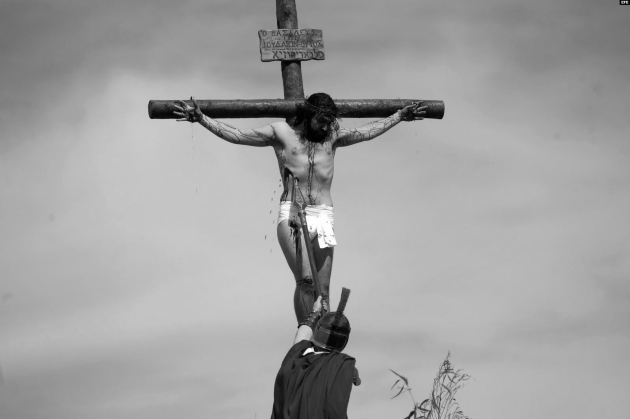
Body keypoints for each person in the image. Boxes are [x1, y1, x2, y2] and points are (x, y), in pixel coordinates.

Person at [173, 94, 427, 323]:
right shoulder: (282, 133)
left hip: (323, 216)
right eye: (321, 121)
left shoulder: (332, 138)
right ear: (307, 116)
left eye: (330, 122)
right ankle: (304, 331)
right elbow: (239, 135)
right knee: (306, 281)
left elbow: (367, 131)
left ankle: (321, 341)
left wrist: (399, 116)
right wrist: (202, 119)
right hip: (293, 212)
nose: (326, 127)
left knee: (323, 290)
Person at [271, 289, 359, 419]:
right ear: (344, 341)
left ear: (318, 330)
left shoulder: (296, 355)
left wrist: (315, 311)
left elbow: (301, 336)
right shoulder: (343, 365)